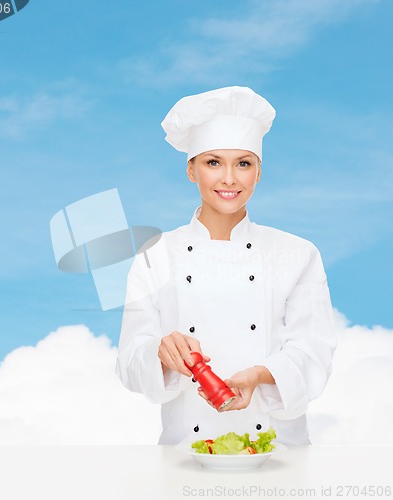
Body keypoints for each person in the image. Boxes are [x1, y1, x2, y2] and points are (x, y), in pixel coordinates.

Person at [116, 86, 337, 446]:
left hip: (278, 452)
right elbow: (128, 363)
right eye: (213, 162)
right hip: (185, 451)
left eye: (244, 164)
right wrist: (159, 353)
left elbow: (314, 352)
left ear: (259, 172)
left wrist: (259, 375)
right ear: (191, 170)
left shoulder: (297, 253)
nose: (229, 179)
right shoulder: (155, 255)